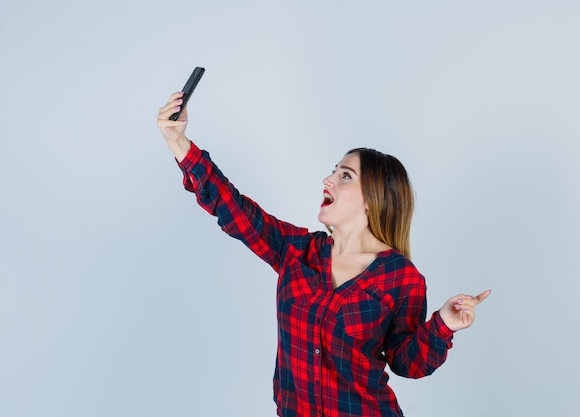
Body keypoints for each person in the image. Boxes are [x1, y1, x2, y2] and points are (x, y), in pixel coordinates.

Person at [157, 92, 491, 417]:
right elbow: (236, 211)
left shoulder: (402, 277)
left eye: (345, 176)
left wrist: (443, 325)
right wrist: (179, 143)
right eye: (334, 171)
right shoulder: (297, 251)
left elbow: (407, 362)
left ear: (372, 199)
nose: (327, 180)